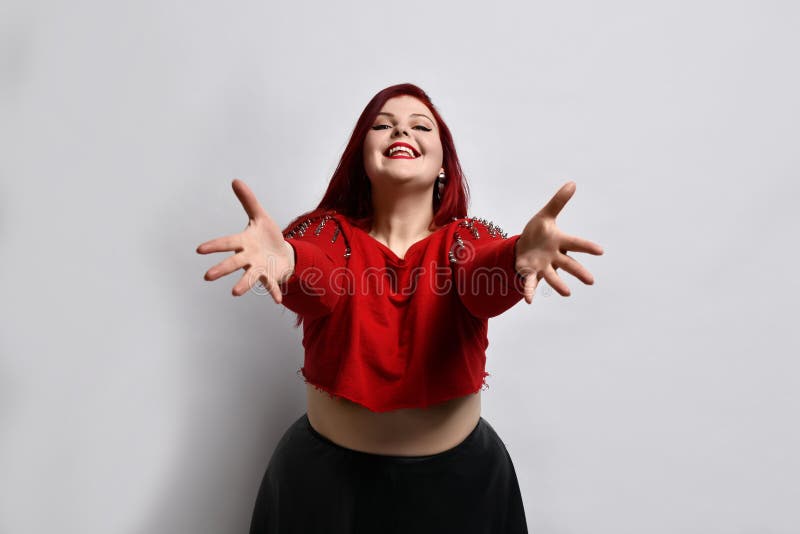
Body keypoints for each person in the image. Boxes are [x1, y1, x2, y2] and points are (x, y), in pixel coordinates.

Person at [196, 83, 603, 534]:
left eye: (419, 125)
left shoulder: (466, 237)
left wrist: (514, 259)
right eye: (383, 125)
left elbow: (478, 282)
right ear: (361, 155)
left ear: (444, 163)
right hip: (326, 490)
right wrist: (289, 261)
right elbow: (322, 280)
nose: (399, 132)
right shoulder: (328, 232)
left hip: (459, 491)